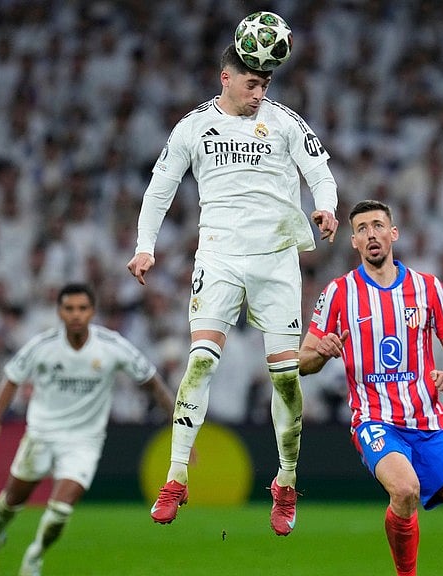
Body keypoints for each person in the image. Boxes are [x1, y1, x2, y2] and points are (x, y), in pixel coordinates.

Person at [126, 41, 339, 535]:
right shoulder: (193, 126)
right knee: (201, 359)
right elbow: (160, 186)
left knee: (286, 377)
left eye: (265, 84)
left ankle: (285, 482)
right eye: (252, 83)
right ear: (225, 77)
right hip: (218, 254)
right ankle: (176, 476)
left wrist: (326, 206)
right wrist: (145, 246)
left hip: (277, 258)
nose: (259, 92)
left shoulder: (284, 120)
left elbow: (319, 172)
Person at [299, 200, 443, 576]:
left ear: (393, 234)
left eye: (377, 225)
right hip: (376, 421)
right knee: (404, 490)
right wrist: (321, 353)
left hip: (430, 421)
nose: (371, 234)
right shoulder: (339, 293)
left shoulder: (428, 287)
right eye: (361, 229)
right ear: (354, 241)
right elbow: (303, 361)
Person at [0, 283, 178, 576]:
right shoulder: (43, 346)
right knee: (12, 500)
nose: (76, 315)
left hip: (84, 441)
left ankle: (35, 554)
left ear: (92, 311)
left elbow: (152, 382)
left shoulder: (111, 346)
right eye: (69, 309)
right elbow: (11, 377)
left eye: (82, 308)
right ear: (60, 312)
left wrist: (179, 427)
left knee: (61, 511)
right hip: (41, 434)